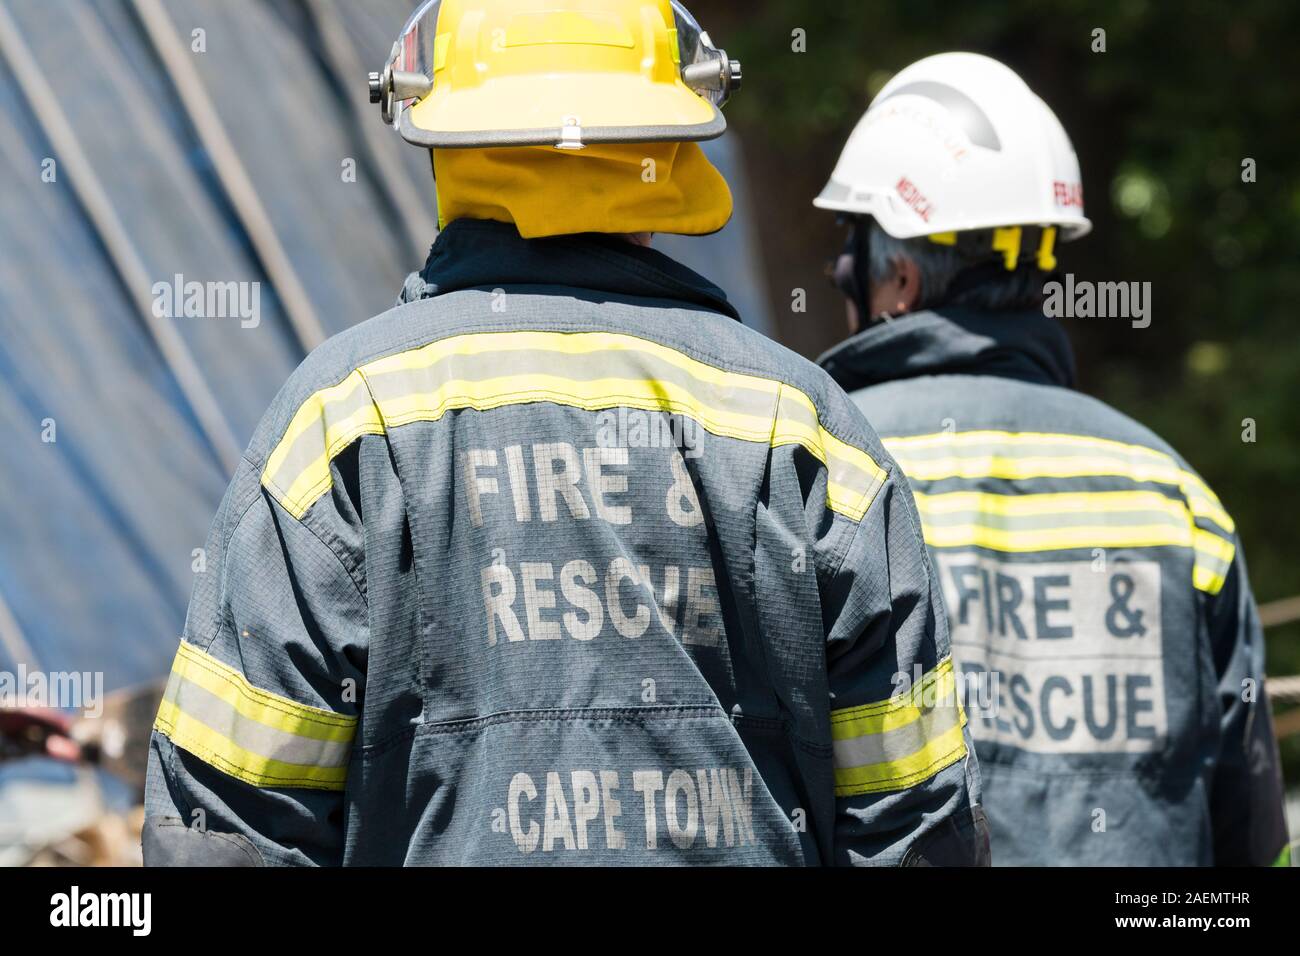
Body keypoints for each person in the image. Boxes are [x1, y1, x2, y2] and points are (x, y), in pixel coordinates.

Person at [142, 0, 987, 866]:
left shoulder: (341, 426)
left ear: (441, 137)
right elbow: (913, 825)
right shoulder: (805, 431)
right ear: (669, 148)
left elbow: (226, 825)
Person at [815, 51, 1290, 866]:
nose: (837, 276)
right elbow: (1253, 831)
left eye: (850, 256)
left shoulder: (815, 472)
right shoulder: (1172, 496)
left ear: (896, 279)